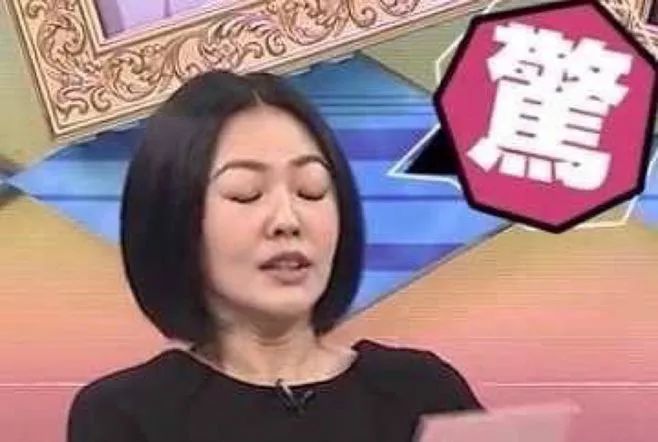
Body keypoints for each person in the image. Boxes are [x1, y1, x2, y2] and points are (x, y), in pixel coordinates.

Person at [67, 70, 483, 442]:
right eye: (246, 193)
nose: (287, 220)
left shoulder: (423, 394)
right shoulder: (124, 416)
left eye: (311, 190)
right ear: (175, 213)